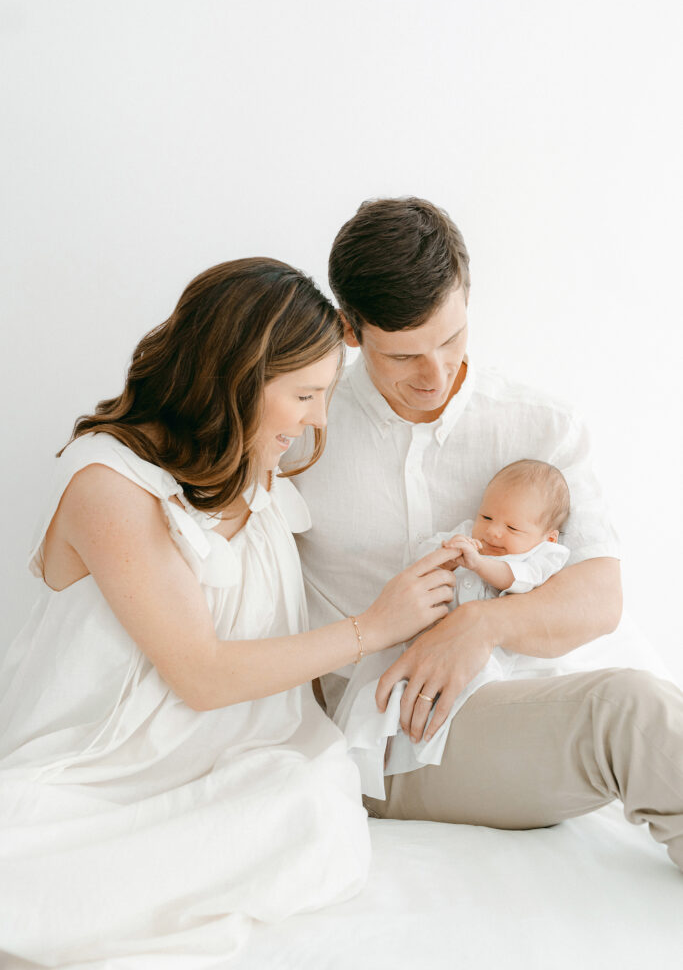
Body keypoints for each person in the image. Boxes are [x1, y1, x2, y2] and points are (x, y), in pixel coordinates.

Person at [0, 258, 457, 967]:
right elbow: (201, 675)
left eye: (325, 395)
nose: (316, 421)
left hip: (235, 767)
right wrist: (374, 626)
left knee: (307, 802)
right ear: (237, 378)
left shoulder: (257, 470)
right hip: (93, 776)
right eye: (304, 395)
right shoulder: (108, 483)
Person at [287, 198, 683, 868]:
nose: (435, 375)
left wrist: (479, 628)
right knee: (634, 711)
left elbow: (597, 597)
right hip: (393, 736)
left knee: (639, 702)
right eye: (404, 355)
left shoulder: (540, 425)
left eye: (450, 339)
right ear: (350, 331)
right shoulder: (296, 436)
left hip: (529, 699)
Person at [333, 458, 572, 799]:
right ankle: (366, 769)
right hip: (428, 642)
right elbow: (423, 561)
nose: (493, 531)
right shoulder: (464, 537)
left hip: (485, 657)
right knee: (381, 694)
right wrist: (446, 556)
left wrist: (478, 563)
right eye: (486, 517)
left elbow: (513, 579)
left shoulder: (540, 558)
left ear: (547, 537)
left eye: (512, 528)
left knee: (472, 706)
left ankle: (450, 768)